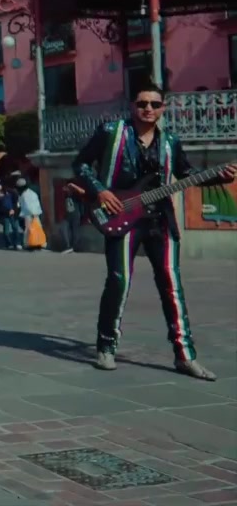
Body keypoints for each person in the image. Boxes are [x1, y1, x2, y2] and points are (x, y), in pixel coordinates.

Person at [73, 82, 236, 381]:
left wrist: (218, 177)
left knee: (172, 285)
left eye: (155, 104)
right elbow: (80, 164)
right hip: (121, 215)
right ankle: (106, 347)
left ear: (163, 108)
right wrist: (100, 191)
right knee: (119, 281)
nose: (148, 109)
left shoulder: (170, 141)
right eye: (142, 103)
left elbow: (186, 174)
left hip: (160, 219)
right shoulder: (111, 133)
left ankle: (185, 356)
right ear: (132, 106)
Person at [0, 182, 22, 250]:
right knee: (6, 231)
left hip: (13, 213)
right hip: (4, 214)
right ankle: (8, 244)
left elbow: (15, 201)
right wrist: (7, 211)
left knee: (15, 228)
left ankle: (17, 243)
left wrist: (14, 209)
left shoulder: (10, 192)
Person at [18, 178, 44, 250]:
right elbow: (37, 203)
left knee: (29, 230)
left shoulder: (24, 195)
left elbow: (27, 205)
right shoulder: (32, 193)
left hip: (29, 214)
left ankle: (29, 244)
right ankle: (38, 243)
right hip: (36, 213)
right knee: (37, 229)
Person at [62, 181, 86, 253]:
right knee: (64, 229)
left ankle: (75, 247)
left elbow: (82, 194)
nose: (66, 190)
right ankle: (68, 246)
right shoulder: (65, 196)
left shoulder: (76, 196)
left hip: (75, 215)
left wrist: (82, 215)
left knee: (75, 231)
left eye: (68, 188)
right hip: (67, 215)